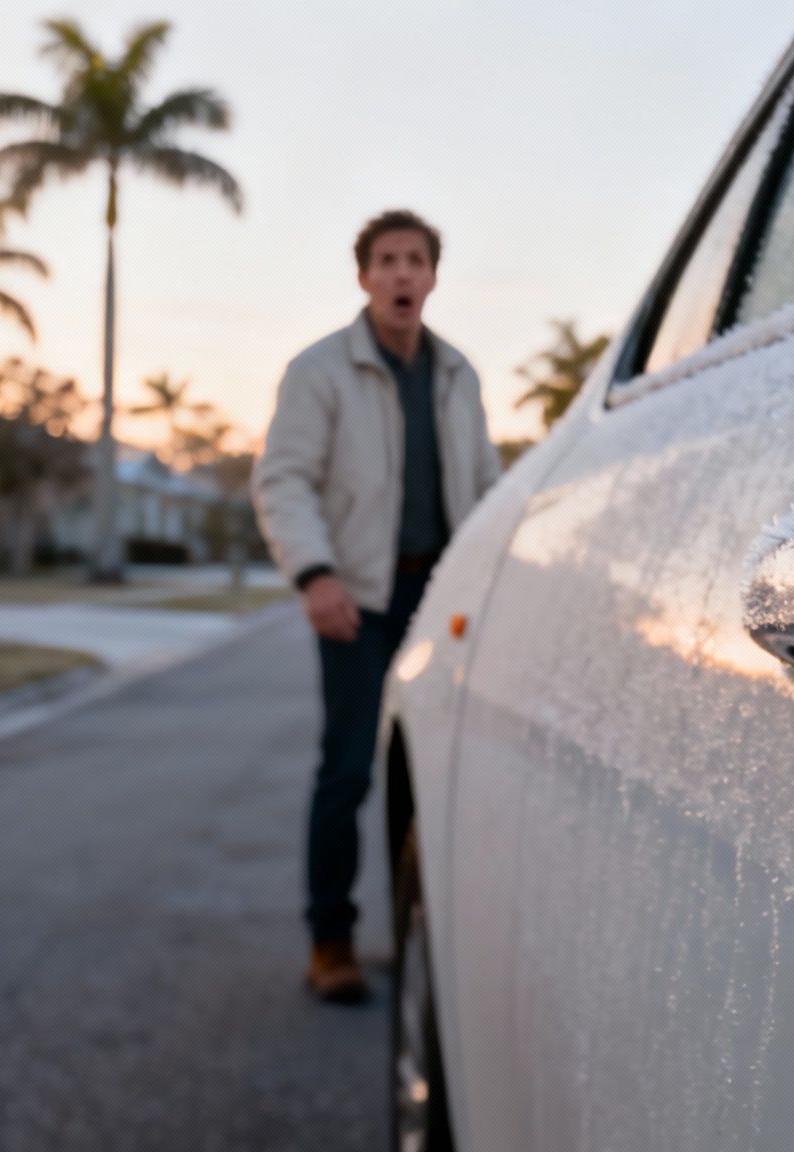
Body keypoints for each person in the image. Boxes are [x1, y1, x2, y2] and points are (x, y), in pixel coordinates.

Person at [254, 209, 502, 1003]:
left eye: (416, 260)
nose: (401, 274)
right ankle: (331, 940)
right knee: (351, 770)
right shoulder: (320, 370)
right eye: (386, 261)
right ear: (364, 277)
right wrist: (314, 574)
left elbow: (487, 492)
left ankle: (410, 935)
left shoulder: (459, 374)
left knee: (427, 770)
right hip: (356, 601)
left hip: (441, 604)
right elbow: (283, 479)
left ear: (433, 277)